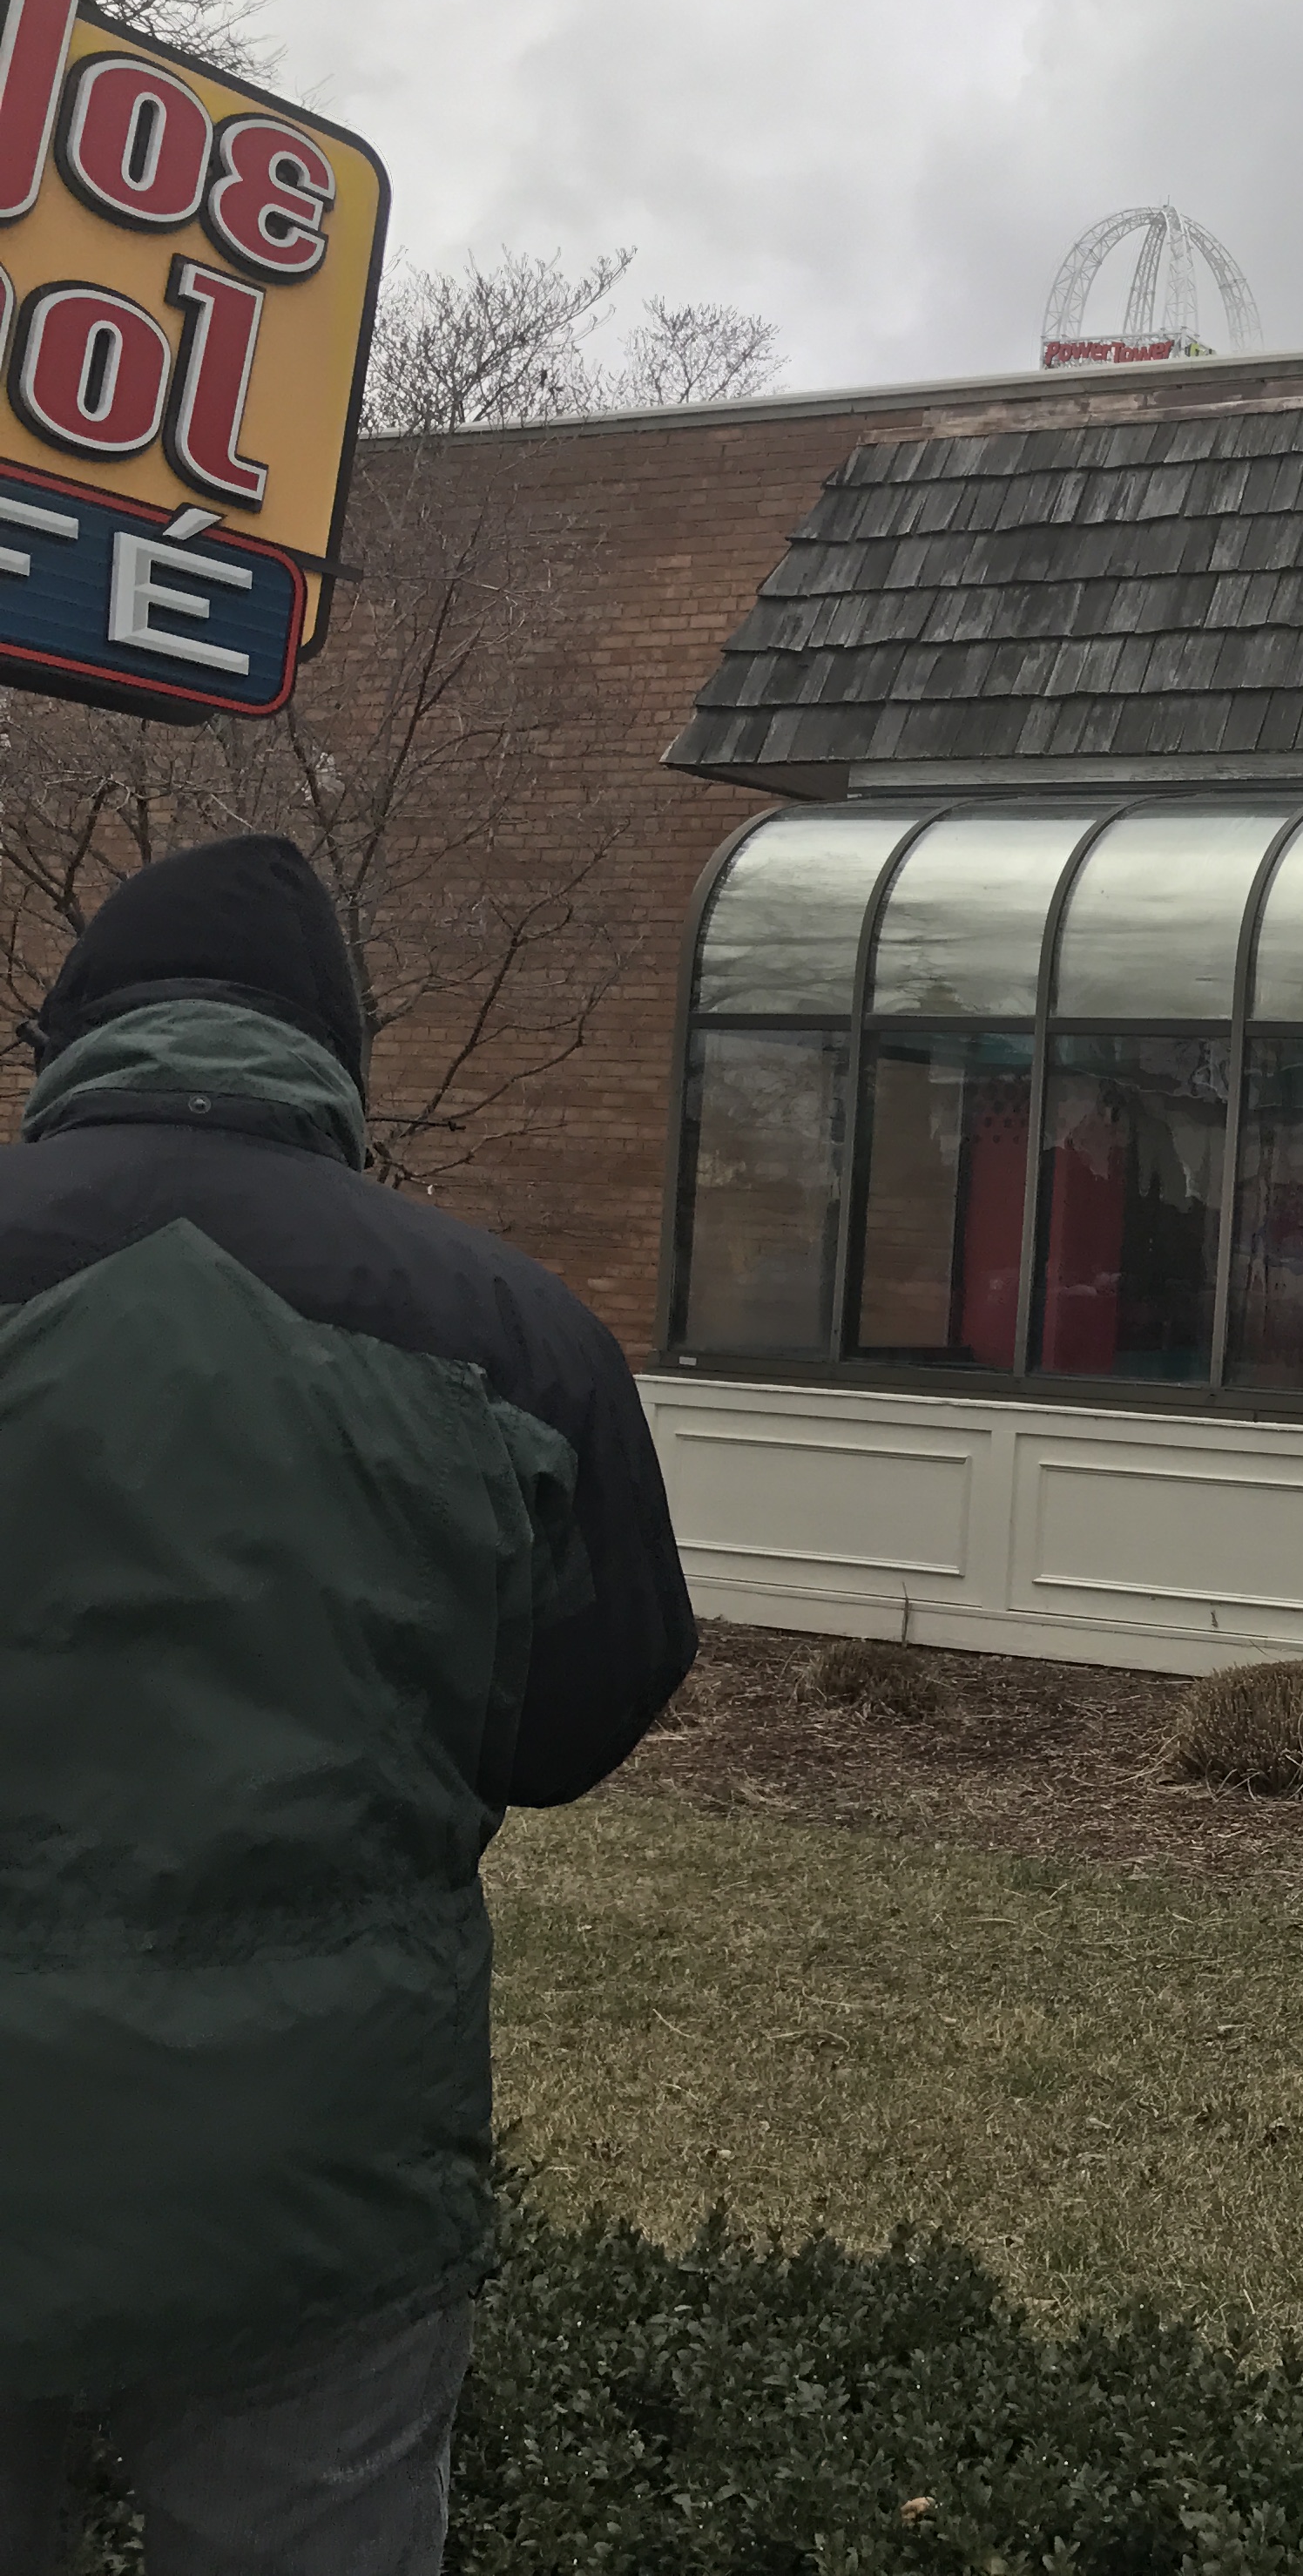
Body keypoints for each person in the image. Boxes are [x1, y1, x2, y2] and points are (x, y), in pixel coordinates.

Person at [0, 836, 698, 2574]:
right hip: (315, 2173)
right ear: (334, 1055)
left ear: (68, 1038)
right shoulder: (519, 1338)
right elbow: (582, 1715)